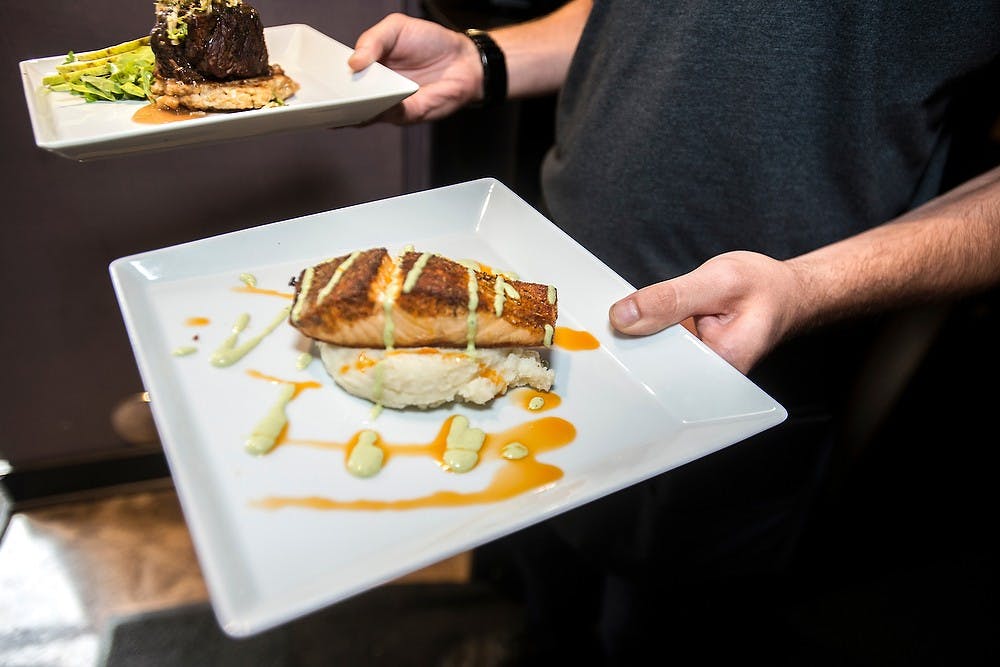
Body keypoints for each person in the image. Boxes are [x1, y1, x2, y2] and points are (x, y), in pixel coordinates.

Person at [350, 2, 1000, 663]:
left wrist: (807, 290)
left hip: (751, 352)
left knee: (660, 627)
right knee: (543, 577)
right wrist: (483, 57)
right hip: (552, 304)